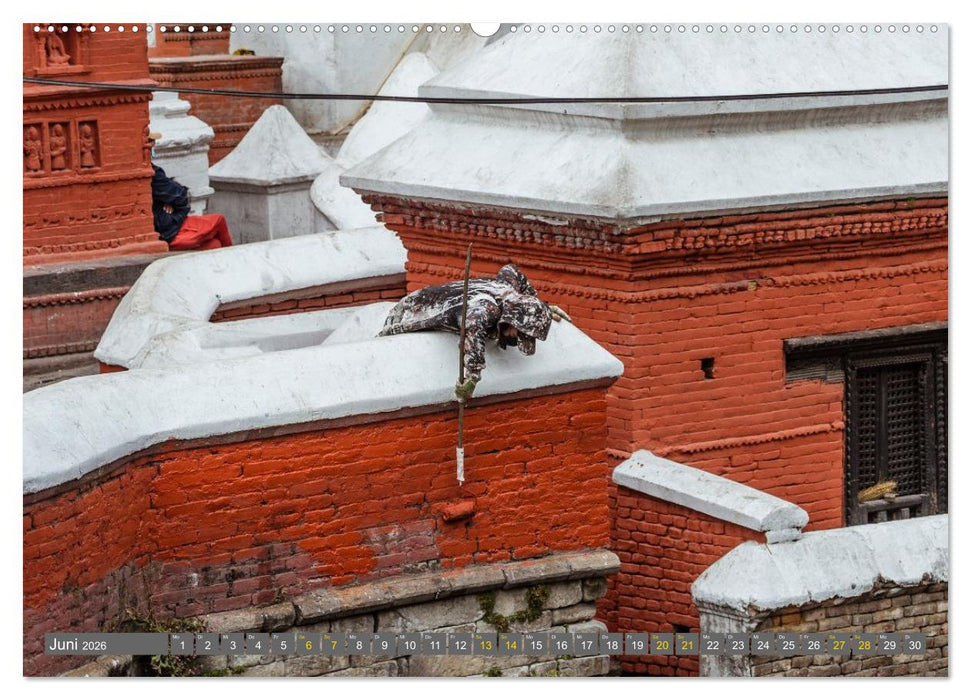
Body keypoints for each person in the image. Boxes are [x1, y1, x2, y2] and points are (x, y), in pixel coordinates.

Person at [378, 264, 559, 399]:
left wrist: (541, 309)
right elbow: (472, 327)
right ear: (512, 321)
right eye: (520, 334)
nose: (516, 338)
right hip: (413, 310)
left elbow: (511, 270)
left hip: (424, 299)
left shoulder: (509, 289)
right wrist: (472, 377)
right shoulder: (486, 308)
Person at [149, 132, 233, 251]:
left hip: (166, 228)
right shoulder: (153, 174)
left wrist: (169, 201)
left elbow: (175, 193)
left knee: (215, 244)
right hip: (169, 232)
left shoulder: (151, 172)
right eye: (151, 142)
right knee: (219, 220)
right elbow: (181, 196)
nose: (153, 145)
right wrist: (171, 201)